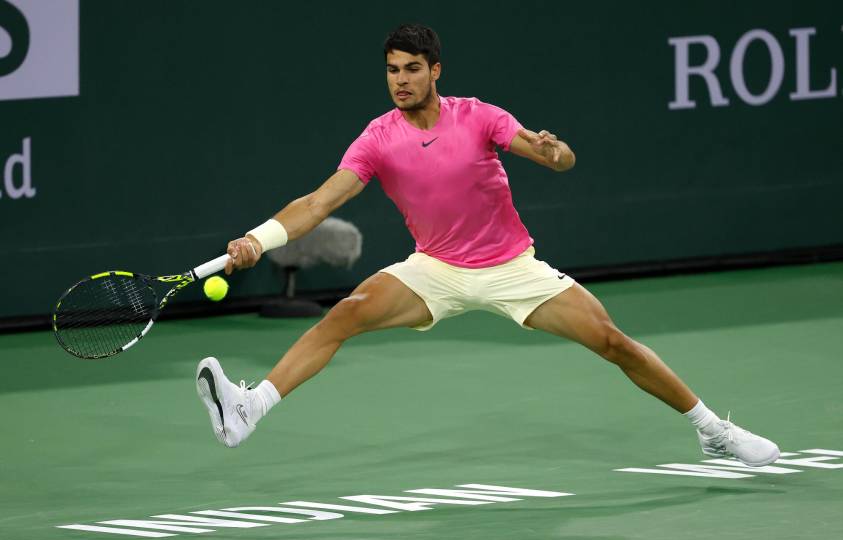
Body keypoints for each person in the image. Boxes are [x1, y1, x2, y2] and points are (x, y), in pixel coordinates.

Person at [196, 24, 779, 467]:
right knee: (345, 315)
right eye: (392, 70)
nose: (400, 79)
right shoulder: (378, 138)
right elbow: (318, 202)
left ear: (436, 71)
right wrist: (258, 238)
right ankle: (250, 408)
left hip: (510, 268)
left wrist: (556, 151)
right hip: (435, 269)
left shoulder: (479, 118)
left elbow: (556, 157)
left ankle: (712, 430)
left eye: (412, 69)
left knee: (611, 341)